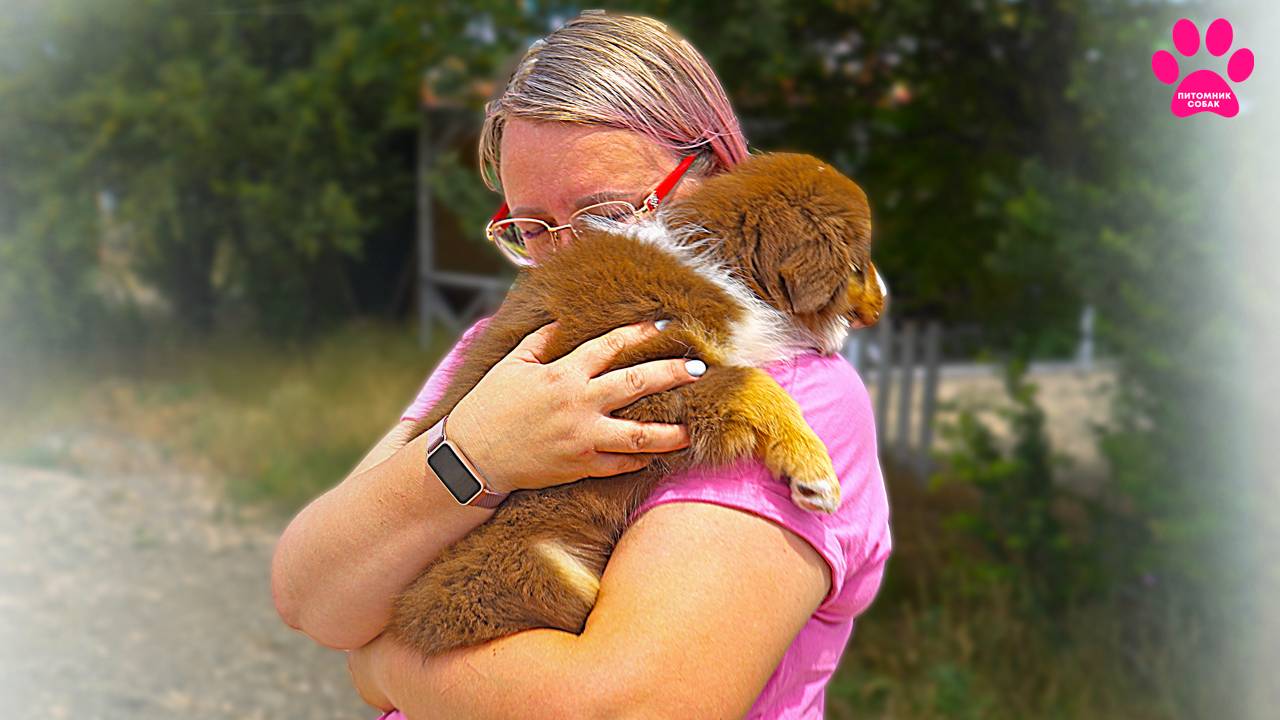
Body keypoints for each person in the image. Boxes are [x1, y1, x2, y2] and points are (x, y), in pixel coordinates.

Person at [270, 11, 891, 719]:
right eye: (531, 227)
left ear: (718, 174)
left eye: (607, 214)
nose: (568, 254)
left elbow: (620, 708)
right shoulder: (523, 339)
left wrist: (383, 665)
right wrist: (476, 453)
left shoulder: (794, 395)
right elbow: (310, 593)